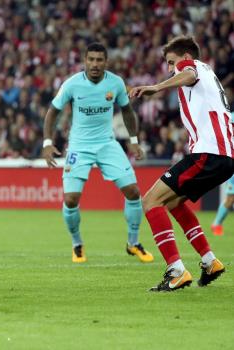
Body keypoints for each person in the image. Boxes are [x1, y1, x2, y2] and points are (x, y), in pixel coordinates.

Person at [130, 35, 233, 291]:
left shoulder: (191, 66)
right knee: (174, 203)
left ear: (186, 57)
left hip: (209, 152)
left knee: (151, 201)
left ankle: (176, 270)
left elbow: (187, 74)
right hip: (225, 155)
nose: (169, 67)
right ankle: (210, 262)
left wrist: (156, 87)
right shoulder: (209, 73)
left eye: (171, 61)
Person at [42, 43, 153, 264]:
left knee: (133, 191)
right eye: (91, 59)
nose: (94, 64)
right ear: (84, 60)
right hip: (79, 146)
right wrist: (47, 142)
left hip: (107, 144)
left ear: (106, 62)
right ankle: (77, 244)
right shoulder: (72, 85)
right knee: (71, 199)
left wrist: (133, 141)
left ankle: (133, 243)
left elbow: (128, 111)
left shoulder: (115, 83)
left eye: (99, 60)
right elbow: (52, 113)